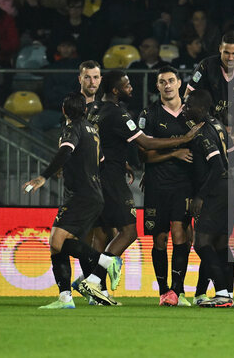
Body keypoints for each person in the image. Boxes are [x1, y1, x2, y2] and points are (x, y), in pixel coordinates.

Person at [79, 70, 203, 305]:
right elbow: (144, 144)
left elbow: (95, 141)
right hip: (112, 181)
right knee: (128, 232)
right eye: (127, 85)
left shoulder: (94, 109)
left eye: (171, 81)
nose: (131, 89)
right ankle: (94, 279)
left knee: (103, 232)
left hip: (95, 178)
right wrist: (182, 142)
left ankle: (98, 289)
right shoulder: (120, 113)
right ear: (116, 90)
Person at [23, 92, 105, 309]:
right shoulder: (92, 130)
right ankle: (66, 297)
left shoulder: (72, 128)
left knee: (56, 242)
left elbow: (65, 151)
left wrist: (44, 176)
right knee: (61, 244)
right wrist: (69, 169)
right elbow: (97, 160)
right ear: (85, 110)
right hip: (94, 193)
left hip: (80, 195)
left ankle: (106, 262)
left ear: (63, 110)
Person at [138, 66, 195, 306]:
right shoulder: (149, 114)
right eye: (163, 82)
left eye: (171, 80)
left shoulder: (192, 113)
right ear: (157, 86)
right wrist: (175, 153)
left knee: (181, 233)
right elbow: (144, 155)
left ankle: (178, 291)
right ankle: (164, 292)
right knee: (159, 238)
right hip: (156, 185)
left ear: (180, 83)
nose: (168, 85)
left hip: (184, 184)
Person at [184, 89, 234, 308]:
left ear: (200, 108)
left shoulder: (204, 131)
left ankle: (223, 293)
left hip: (217, 191)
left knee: (202, 243)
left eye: (189, 105)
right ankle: (228, 293)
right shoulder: (218, 125)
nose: (185, 108)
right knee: (221, 244)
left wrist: (200, 196)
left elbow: (217, 166)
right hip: (230, 188)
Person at [185, 31, 234, 140]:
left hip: (227, 129)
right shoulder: (206, 66)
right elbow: (188, 96)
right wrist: (193, 126)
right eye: (226, 52)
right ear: (220, 49)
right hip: (202, 126)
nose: (230, 58)